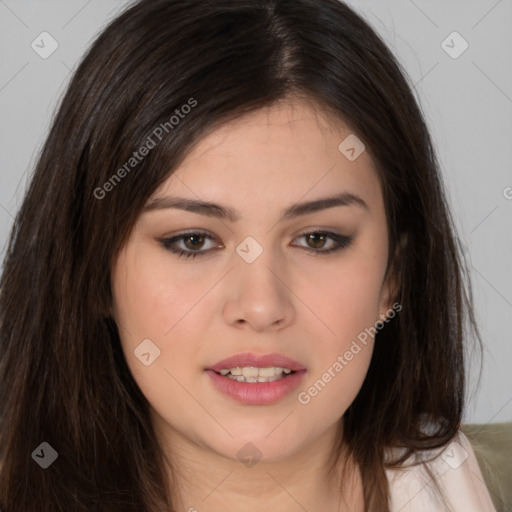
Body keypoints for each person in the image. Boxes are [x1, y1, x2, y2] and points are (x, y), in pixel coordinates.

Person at [0, 0, 497, 511]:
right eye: (192, 240)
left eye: (318, 239)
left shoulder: (449, 483)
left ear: (393, 274)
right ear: (94, 273)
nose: (261, 307)